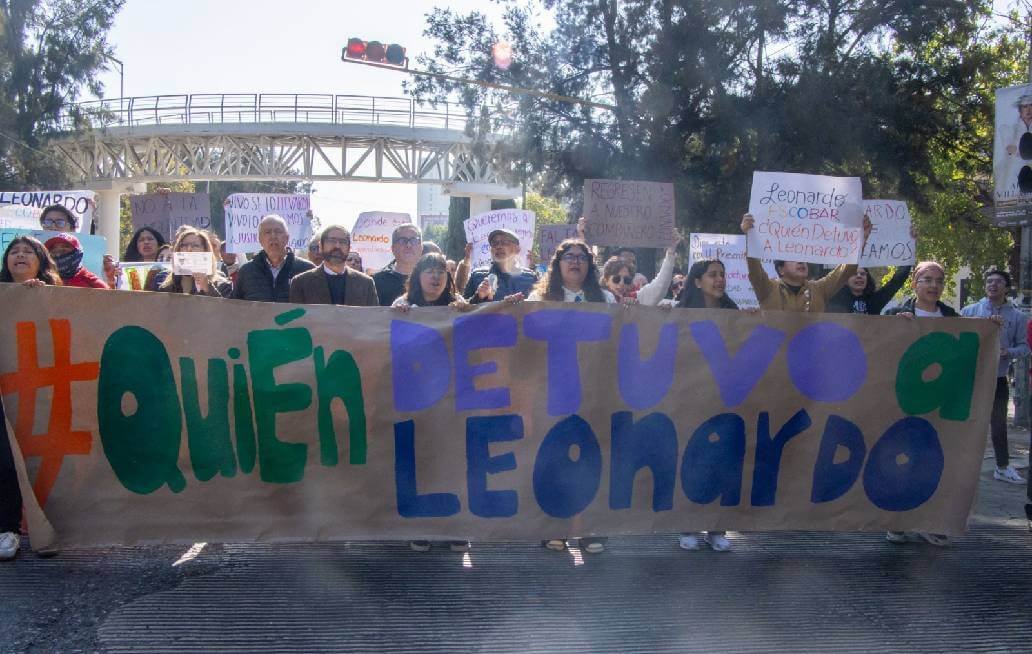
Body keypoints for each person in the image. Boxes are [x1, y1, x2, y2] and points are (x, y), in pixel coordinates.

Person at [525, 239, 612, 553]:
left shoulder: (605, 299)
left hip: (593, 392)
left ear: (589, 265)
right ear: (557, 264)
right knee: (553, 459)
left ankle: (591, 530)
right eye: (569, 257)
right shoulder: (539, 298)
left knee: (592, 458)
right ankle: (554, 527)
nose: (576, 262)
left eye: (582, 257)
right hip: (552, 391)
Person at [391, 252, 472, 551]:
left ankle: (455, 527)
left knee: (453, 461)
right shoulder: (402, 307)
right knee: (419, 460)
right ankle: (421, 526)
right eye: (429, 271)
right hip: (414, 399)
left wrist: (469, 311)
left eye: (441, 271)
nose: (436, 276)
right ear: (418, 277)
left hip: (452, 399)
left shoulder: (458, 307)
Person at [883, 261, 957, 547]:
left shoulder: (952, 316)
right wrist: (893, 326)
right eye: (927, 279)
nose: (933, 285)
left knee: (934, 461)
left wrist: (991, 329)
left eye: (939, 280)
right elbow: (879, 346)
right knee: (901, 460)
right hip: (904, 401)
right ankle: (898, 522)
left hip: (939, 403)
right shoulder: (895, 312)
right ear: (914, 283)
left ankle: (933, 521)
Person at [675, 258, 741, 551]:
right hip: (689, 399)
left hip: (723, 400)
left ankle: (717, 528)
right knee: (692, 461)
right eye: (713, 275)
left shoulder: (735, 314)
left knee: (721, 462)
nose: (720, 280)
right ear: (697, 281)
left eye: (723, 275)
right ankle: (687, 526)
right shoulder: (679, 314)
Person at [961, 270, 1030, 484]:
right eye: (989, 281)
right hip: (969, 378)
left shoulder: (1017, 316)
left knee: (998, 424)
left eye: (998, 282)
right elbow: (958, 340)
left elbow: (1025, 348)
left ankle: (1002, 466)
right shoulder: (970, 311)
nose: (993, 285)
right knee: (963, 422)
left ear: (1006, 288)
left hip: (997, 379)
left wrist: (1007, 352)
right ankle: (959, 466)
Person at [740, 213, 871, 312]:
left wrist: (861, 240)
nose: (801, 260)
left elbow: (846, 270)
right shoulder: (767, 289)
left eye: (802, 256)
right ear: (780, 269)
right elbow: (754, 269)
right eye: (793, 256)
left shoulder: (820, 289)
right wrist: (749, 236)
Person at [232, 214, 315, 302]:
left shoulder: (307, 270)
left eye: (278, 231)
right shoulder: (246, 271)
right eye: (267, 232)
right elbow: (234, 309)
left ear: (287, 238)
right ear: (260, 239)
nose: (273, 236)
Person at [289, 225, 379, 306]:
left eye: (343, 242)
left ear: (349, 248)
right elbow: (295, 321)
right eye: (331, 241)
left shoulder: (366, 284)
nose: (337, 246)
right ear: (320, 246)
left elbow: (373, 320)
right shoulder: (301, 282)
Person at [463, 228, 539, 304]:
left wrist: (520, 305)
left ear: (517, 249)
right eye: (494, 243)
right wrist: (478, 297)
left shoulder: (530, 278)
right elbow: (462, 311)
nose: (499, 247)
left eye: (505, 242)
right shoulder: (477, 276)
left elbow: (540, 310)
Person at [155, 228, 233, 297]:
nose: (189, 249)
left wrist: (208, 288)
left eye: (195, 245)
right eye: (184, 245)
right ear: (178, 250)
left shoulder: (222, 285)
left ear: (205, 250)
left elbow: (224, 312)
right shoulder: (165, 285)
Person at [826, 265, 912, 315]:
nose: (859, 276)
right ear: (845, 281)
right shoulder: (835, 298)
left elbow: (896, 281)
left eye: (863, 274)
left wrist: (909, 252)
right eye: (854, 274)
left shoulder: (875, 300)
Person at [373, 224, 423, 306]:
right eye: (402, 241)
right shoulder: (377, 281)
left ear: (421, 248)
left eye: (414, 240)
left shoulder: (432, 280)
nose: (408, 245)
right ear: (393, 248)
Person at [43, 233, 108, 288]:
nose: (58, 251)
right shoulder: (43, 278)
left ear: (77, 252)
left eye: (65, 247)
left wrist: (111, 281)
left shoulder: (91, 282)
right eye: (54, 249)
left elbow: (111, 299)